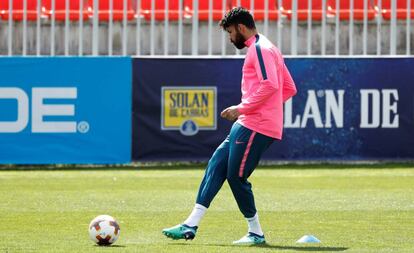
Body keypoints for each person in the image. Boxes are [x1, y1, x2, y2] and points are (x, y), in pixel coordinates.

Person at [162, 7, 297, 245]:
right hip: (249, 122)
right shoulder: (269, 48)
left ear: (241, 28)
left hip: (255, 124)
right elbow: (289, 88)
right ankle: (190, 224)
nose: (230, 37)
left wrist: (243, 108)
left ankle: (256, 233)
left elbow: (271, 85)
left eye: (230, 32)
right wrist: (261, 109)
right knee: (216, 165)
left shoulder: (260, 49)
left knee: (236, 177)